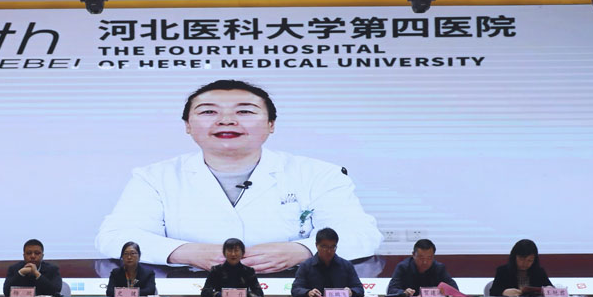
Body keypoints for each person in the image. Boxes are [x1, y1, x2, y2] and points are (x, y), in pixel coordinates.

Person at [95, 80, 383, 276]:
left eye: (244, 111)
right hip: (190, 294)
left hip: (294, 293)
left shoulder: (319, 174)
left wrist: (302, 250)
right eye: (208, 112)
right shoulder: (154, 177)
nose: (226, 120)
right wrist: (184, 252)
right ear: (188, 126)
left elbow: (361, 235)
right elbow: (114, 237)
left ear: (271, 124)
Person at [291, 228, 364, 297]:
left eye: (332, 247)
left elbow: (359, 289)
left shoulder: (346, 265)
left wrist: (351, 291)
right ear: (316, 245)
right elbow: (296, 289)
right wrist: (308, 292)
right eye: (324, 247)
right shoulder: (306, 265)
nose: (329, 251)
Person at [386, 239, 458, 297]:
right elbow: (391, 290)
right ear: (413, 255)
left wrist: (444, 292)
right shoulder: (403, 267)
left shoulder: (439, 268)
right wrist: (404, 292)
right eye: (421, 258)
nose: (425, 262)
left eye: (429, 258)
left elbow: (455, 290)